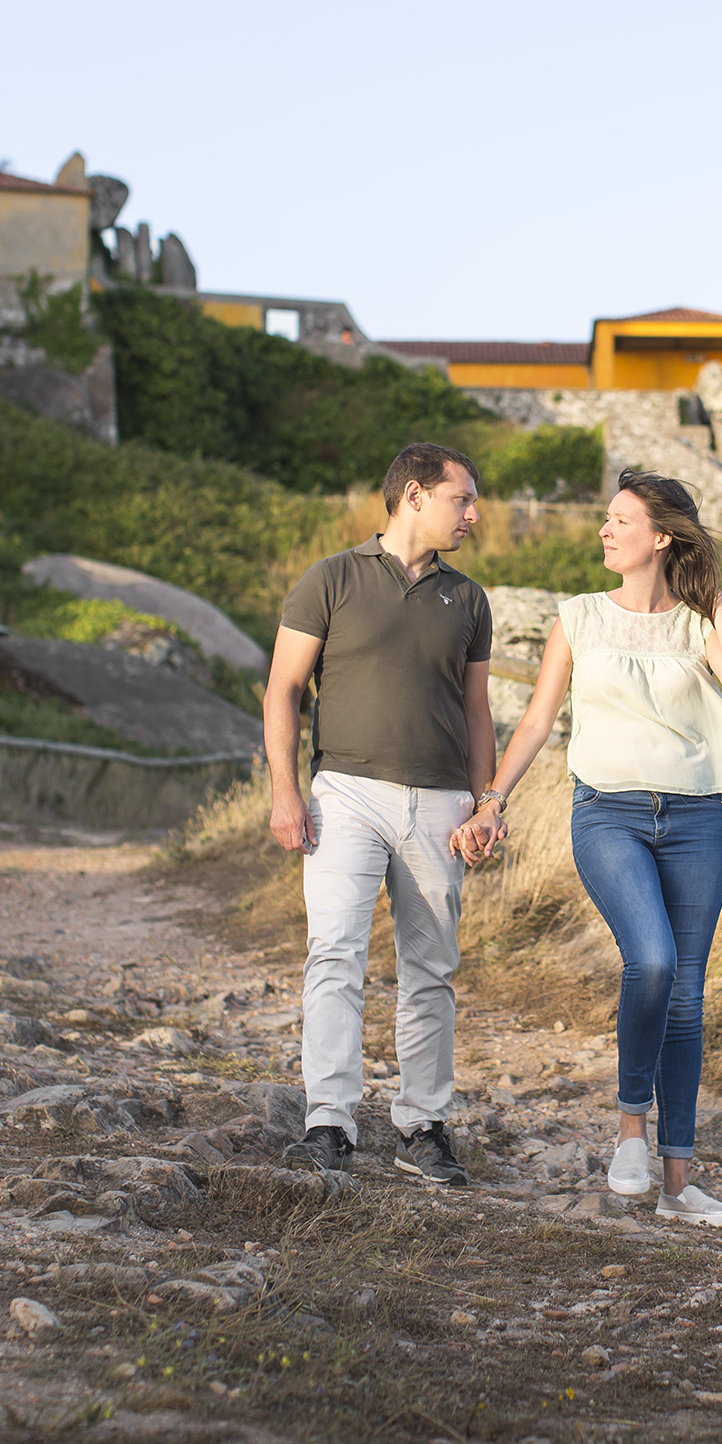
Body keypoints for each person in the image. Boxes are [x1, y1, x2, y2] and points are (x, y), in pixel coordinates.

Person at [452, 469, 722, 1226]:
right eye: (606, 516)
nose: (605, 528)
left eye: (621, 519)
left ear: (661, 537)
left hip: (696, 820)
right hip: (609, 815)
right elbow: (534, 724)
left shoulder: (697, 620)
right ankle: (631, 1130)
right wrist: (493, 799)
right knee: (652, 961)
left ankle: (679, 1185)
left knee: (688, 998)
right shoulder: (580, 617)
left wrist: (709, 591)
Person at [265, 442, 496, 1187]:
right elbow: (283, 690)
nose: (474, 513)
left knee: (430, 967)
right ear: (415, 496)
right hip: (346, 792)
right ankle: (328, 1122)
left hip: (440, 801)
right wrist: (285, 791)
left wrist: (486, 802)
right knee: (335, 951)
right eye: (462, 498)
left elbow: (478, 711)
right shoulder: (329, 578)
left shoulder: (468, 599)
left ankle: (422, 1127)